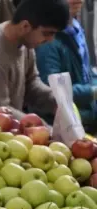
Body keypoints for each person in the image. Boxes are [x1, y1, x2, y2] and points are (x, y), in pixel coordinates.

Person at [35, 0, 97, 130]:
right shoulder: (48, 39)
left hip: (85, 109)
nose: (77, 0)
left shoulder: (75, 29)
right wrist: (92, 91)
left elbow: (86, 73)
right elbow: (52, 90)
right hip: (66, 121)